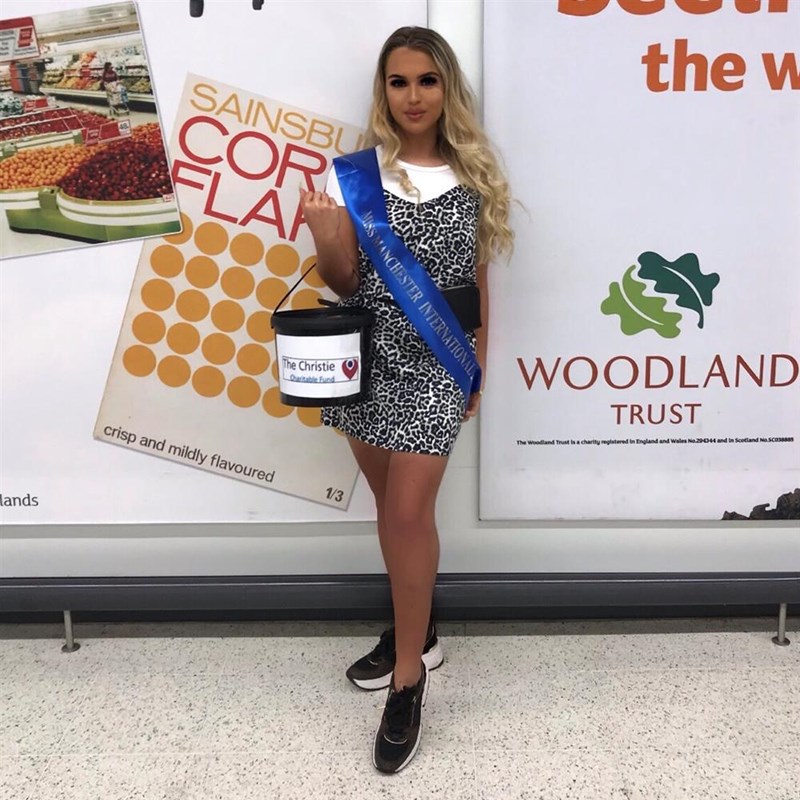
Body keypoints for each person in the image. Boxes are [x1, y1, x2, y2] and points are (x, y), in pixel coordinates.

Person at [300, 26, 513, 774]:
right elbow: (344, 281)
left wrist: (476, 364)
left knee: (407, 514)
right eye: (399, 82)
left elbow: (477, 282)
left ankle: (409, 680)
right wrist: (325, 234)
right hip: (368, 360)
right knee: (391, 513)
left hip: (437, 363)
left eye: (427, 80)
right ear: (383, 90)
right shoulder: (356, 177)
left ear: (446, 88)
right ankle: (417, 629)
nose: (413, 96)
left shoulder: (473, 173)